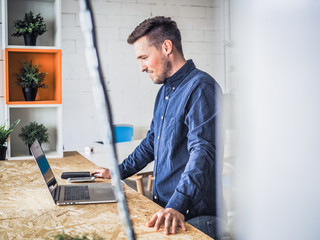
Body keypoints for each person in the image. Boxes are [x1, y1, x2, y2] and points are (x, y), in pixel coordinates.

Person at [92, 16, 225, 239]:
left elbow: (202, 153)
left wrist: (178, 205)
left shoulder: (201, 87)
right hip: (166, 209)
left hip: (192, 216)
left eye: (144, 57)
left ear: (166, 47)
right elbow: (152, 142)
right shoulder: (165, 91)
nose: (142, 67)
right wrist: (118, 171)